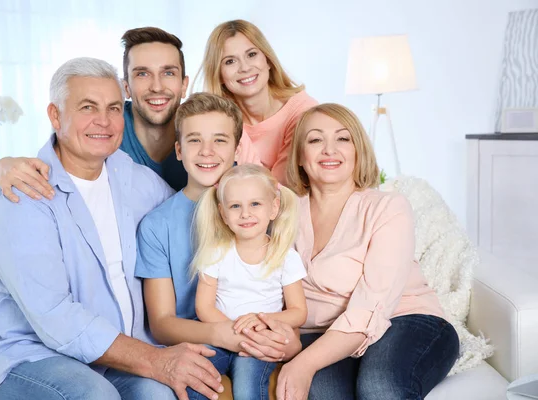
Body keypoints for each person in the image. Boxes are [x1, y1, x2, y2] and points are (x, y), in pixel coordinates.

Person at [0, 57, 225, 400]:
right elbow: (56, 318)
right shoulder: (24, 197)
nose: (104, 121)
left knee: (161, 396)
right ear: (55, 115)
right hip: (35, 359)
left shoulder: (135, 179)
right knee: (95, 396)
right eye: (87, 107)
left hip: (118, 358)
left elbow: (191, 211)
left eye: (112, 107)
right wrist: (155, 359)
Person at [274, 103, 460, 400]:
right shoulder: (283, 214)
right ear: (299, 156)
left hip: (405, 320)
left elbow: (372, 304)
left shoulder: (387, 207)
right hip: (327, 336)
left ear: (358, 151)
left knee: (379, 386)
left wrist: (303, 364)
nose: (329, 149)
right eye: (315, 139)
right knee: (322, 393)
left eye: (343, 139)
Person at [135, 93, 303, 385]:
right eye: (195, 140)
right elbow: (161, 324)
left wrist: (290, 340)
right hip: (198, 340)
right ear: (178, 149)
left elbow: (285, 299)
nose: (207, 151)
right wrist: (223, 334)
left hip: (260, 331)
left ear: (237, 148)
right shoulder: (157, 225)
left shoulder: (261, 211)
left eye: (220, 140)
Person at [0, 26, 190, 200]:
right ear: (126, 87)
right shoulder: (104, 126)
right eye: (142, 74)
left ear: (184, 85)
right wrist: (3, 167)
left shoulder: (199, 128)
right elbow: (48, 170)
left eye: (168, 73)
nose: (156, 87)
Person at [187, 163, 308, 400]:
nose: (245, 213)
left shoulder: (285, 256)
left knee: (247, 388)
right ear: (223, 213)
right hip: (221, 338)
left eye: (255, 204)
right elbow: (204, 307)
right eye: (235, 206)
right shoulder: (216, 253)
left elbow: (298, 312)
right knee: (195, 379)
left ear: (273, 208)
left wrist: (263, 322)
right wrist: (234, 333)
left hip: (259, 344)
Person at [195, 19, 318, 185]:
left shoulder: (302, 110)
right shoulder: (219, 119)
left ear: (267, 60)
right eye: (230, 61)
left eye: (251, 54)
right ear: (219, 75)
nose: (245, 68)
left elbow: (281, 186)